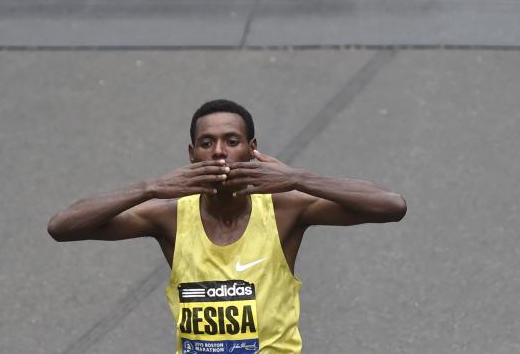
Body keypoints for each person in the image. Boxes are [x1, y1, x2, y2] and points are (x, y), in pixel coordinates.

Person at [48, 99, 407, 353]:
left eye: (232, 142)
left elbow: (391, 206)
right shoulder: (169, 215)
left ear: (252, 150)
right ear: (192, 155)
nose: (219, 152)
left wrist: (299, 177)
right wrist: (148, 188)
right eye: (207, 143)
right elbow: (62, 226)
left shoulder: (285, 208)